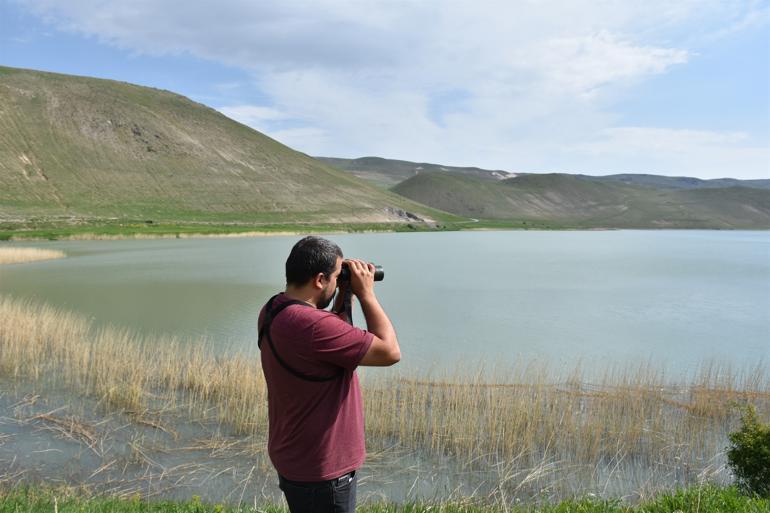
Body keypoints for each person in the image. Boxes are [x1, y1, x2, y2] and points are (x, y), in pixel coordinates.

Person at [258, 236, 400, 513]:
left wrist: (345, 293)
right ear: (320, 279)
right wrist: (367, 294)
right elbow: (390, 352)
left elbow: (335, 340)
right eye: (338, 276)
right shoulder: (312, 326)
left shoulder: (273, 309)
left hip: (296, 457)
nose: (339, 281)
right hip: (323, 471)